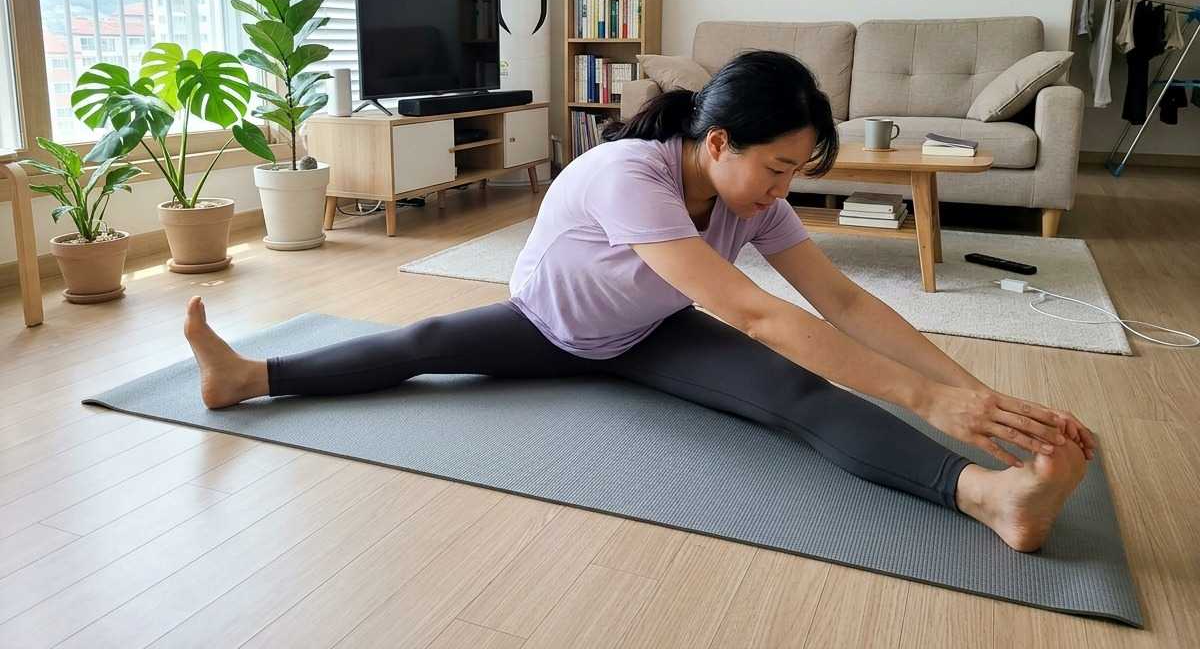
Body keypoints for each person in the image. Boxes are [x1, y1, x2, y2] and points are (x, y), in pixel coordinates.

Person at [184, 50, 1096, 553]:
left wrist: (979, 400)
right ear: (719, 142)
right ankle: (249, 374)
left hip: (649, 331)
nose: (782, 190)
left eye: (795, 173)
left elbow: (843, 304)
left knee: (802, 396)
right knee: (424, 339)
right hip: (550, 326)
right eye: (776, 167)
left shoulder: (750, 197)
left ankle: (990, 497)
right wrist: (929, 400)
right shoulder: (632, 175)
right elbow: (756, 314)